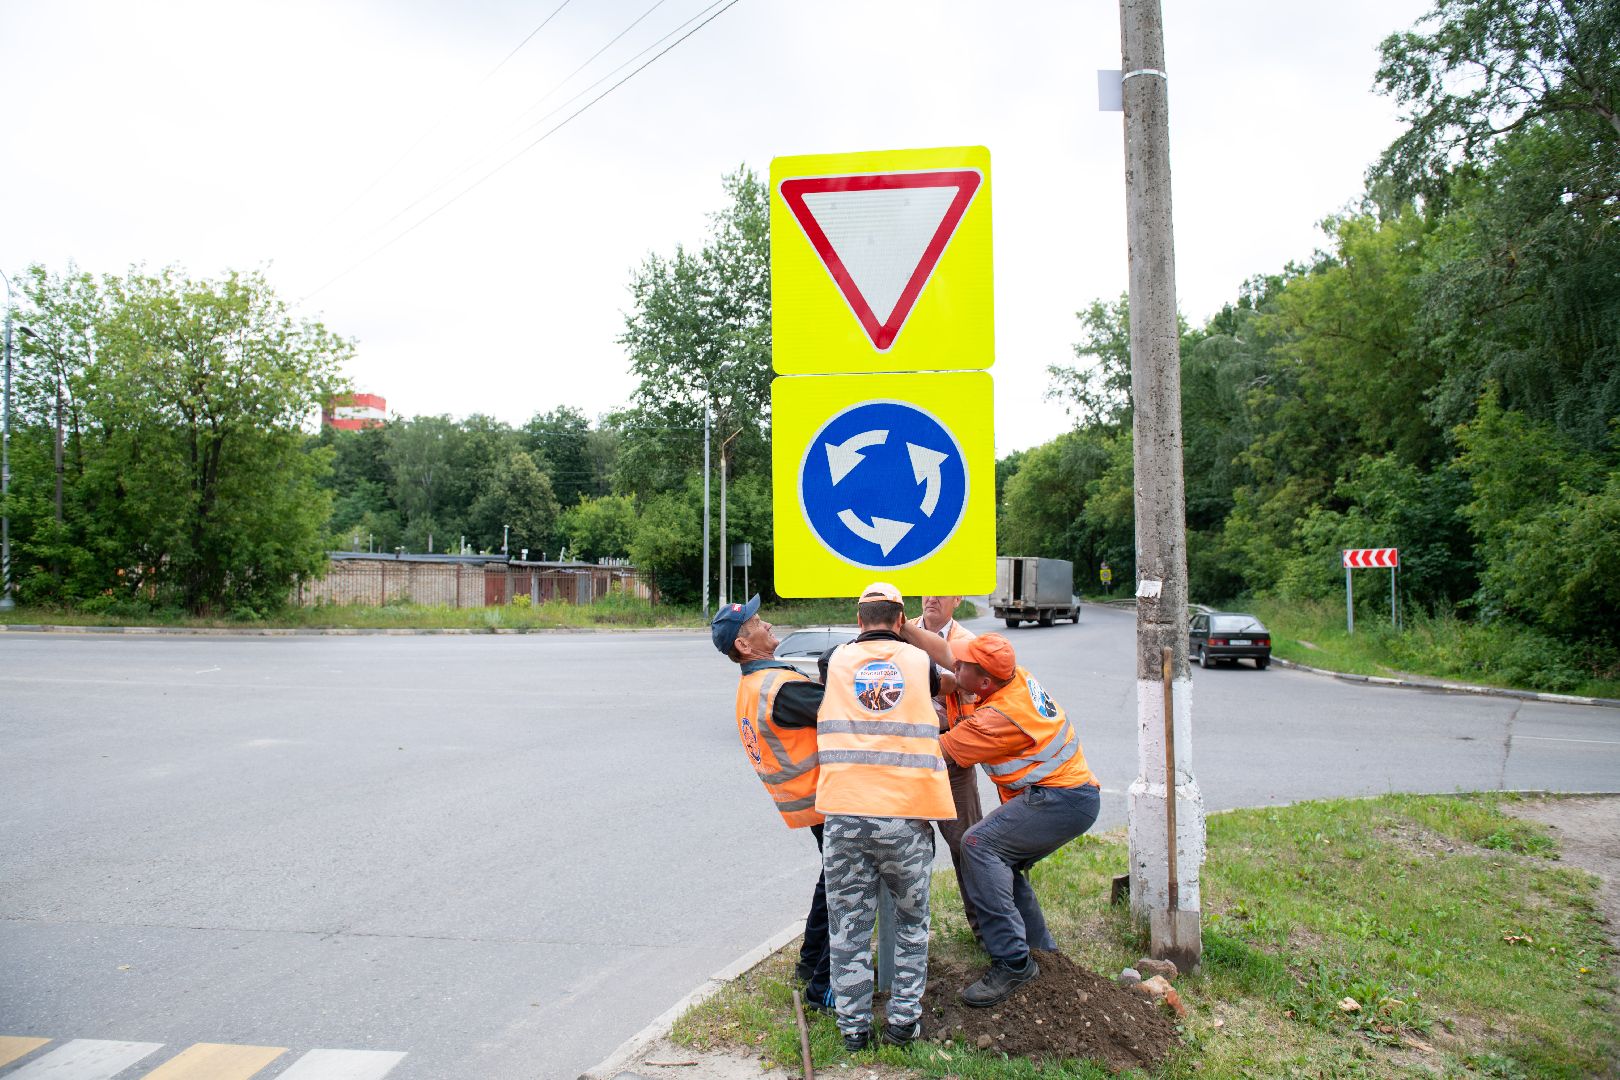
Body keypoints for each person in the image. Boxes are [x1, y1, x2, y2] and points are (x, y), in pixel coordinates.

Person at [900, 629, 1100, 1007]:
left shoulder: (996, 718)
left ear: (985, 681)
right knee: (1004, 863)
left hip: (1060, 800)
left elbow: (930, 753)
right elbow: (948, 653)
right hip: (1067, 796)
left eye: (963, 666)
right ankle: (1042, 953)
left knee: (977, 845)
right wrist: (905, 627)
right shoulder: (1013, 676)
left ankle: (1012, 960)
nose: (954, 666)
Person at [814, 583, 955, 1050]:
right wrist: (914, 635)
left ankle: (853, 1031)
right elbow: (953, 670)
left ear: (858, 621)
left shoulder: (832, 661)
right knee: (913, 923)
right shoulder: (921, 664)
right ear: (900, 621)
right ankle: (902, 1025)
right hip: (905, 816)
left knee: (848, 926)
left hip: (845, 814)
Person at [711, 595, 832, 1011]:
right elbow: (841, 712)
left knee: (832, 880)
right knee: (847, 886)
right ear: (744, 645)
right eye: (759, 623)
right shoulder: (776, 688)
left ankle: (807, 963)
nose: (767, 625)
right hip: (826, 796)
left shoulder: (756, 682)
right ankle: (823, 986)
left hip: (811, 799)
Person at [916, 594, 985, 940]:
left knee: (967, 844)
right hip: (909, 758)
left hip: (952, 757)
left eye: (941, 590)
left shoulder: (968, 644)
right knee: (904, 847)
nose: (931, 597)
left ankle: (984, 929)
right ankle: (909, 935)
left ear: (957, 598)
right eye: (927, 588)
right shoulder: (901, 635)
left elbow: (972, 692)